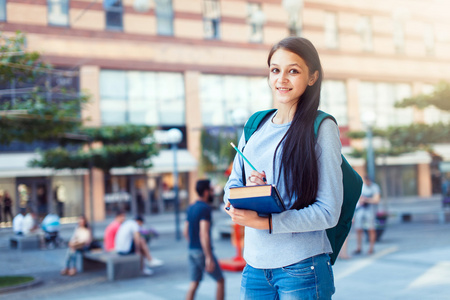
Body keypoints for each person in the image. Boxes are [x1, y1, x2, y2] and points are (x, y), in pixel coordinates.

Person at [223, 36, 342, 299]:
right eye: (275, 70)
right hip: (254, 266)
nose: (282, 79)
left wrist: (265, 221)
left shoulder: (322, 128)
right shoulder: (255, 125)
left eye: (294, 71)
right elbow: (231, 188)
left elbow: (328, 212)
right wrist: (249, 192)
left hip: (302, 266)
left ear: (312, 77)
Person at [184, 180, 225, 300]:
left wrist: (193, 245)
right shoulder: (205, 208)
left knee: (194, 282)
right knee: (220, 281)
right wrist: (208, 257)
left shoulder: (191, 207)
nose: (213, 193)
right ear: (206, 192)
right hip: (202, 251)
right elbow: (204, 233)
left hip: (192, 250)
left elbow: (185, 231)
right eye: (212, 190)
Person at [353, 176, 381, 255]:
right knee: (358, 229)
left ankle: (371, 248)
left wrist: (366, 200)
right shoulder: (362, 187)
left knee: (371, 229)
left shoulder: (375, 187)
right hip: (360, 210)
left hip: (370, 211)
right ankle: (359, 247)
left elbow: (376, 200)